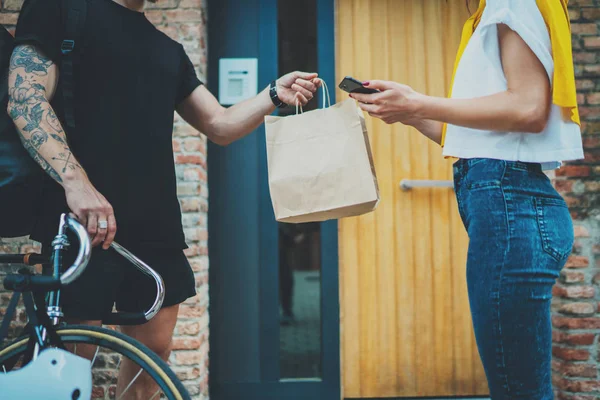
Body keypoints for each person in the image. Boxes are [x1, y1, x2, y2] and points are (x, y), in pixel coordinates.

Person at [7, 0, 321, 397]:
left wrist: (275, 93)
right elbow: (25, 97)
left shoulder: (167, 49)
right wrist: (76, 183)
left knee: (152, 356)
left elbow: (219, 124)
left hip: (155, 224)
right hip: (82, 219)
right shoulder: (61, 10)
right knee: (71, 358)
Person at [349, 0, 583, 398]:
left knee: (517, 391)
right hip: (512, 206)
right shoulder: (487, 15)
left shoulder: (512, 3)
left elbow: (529, 108)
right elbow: (476, 140)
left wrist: (418, 102)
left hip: (512, 207)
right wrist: (407, 112)